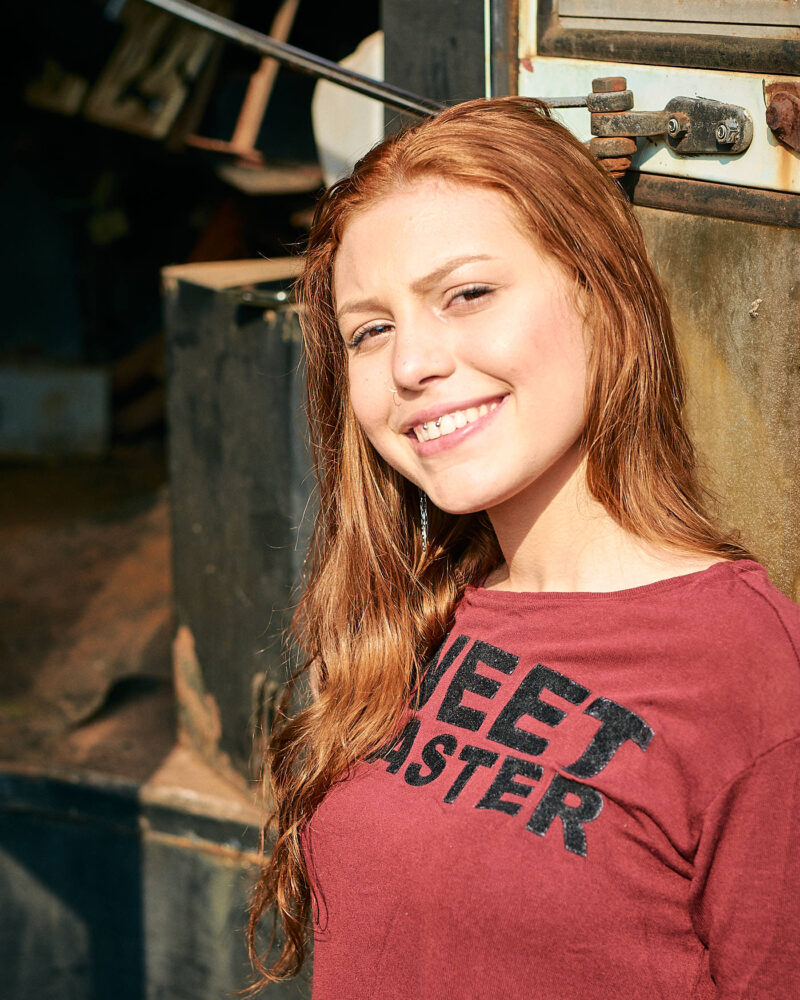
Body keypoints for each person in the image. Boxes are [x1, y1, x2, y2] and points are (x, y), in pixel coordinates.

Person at [248, 97, 800, 998]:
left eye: (467, 294)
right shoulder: (405, 623)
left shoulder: (755, 678)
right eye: (370, 328)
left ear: (602, 291)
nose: (411, 364)